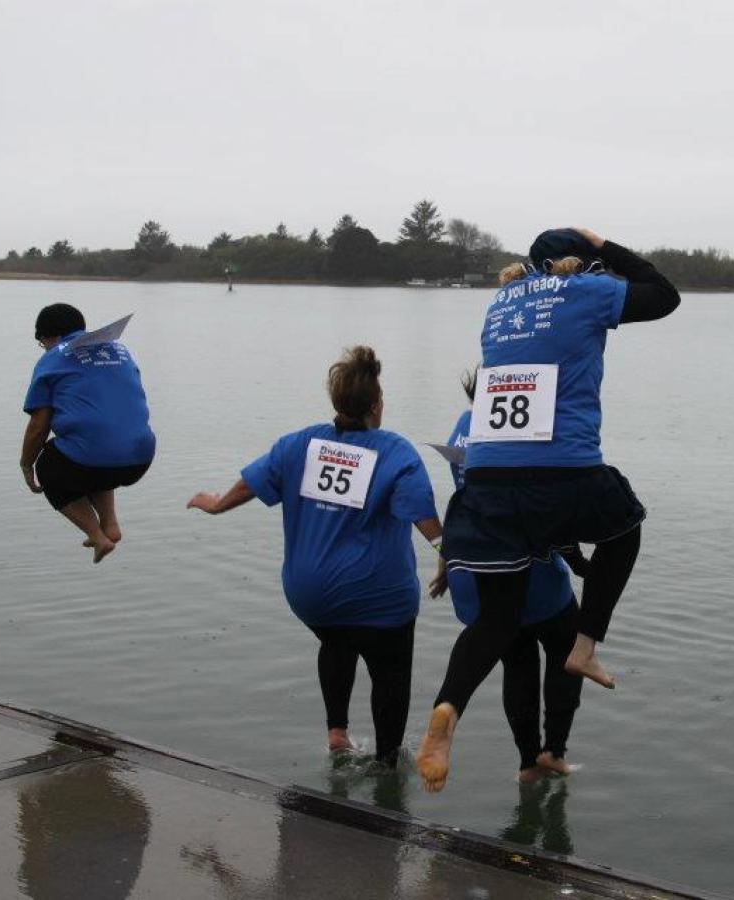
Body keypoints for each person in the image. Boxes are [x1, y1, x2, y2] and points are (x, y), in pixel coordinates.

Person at [415, 228, 681, 792]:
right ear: (578, 263)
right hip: (563, 471)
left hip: (488, 483)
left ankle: (448, 709)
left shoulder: (500, 303)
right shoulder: (583, 291)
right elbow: (663, 294)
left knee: (497, 621)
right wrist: (605, 243)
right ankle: (585, 648)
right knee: (625, 526)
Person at [187, 346, 444, 767]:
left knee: (336, 640)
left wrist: (215, 504)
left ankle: (337, 734)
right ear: (376, 406)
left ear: (337, 402)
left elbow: (248, 485)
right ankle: (385, 764)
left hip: (311, 596)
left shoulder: (299, 444)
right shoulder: (395, 452)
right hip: (378, 596)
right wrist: (447, 555)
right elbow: (423, 517)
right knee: (390, 672)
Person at [443, 369, 585, 782]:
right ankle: (553, 751)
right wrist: (581, 563)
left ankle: (527, 762)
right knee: (568, 651)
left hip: (481, 576)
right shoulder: (530, 428)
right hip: (535, 576)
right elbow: (551, 510)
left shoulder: (461, 428)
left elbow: (462, 500)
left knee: (517, 663)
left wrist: (444, 562)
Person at [21, 303, 156, 563]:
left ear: (52, 337)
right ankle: (110, 524)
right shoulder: (120, 350)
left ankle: (97, 535)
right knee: (91, 446)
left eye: (43, 342)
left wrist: (26, 465)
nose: (45, 348)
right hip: (140, 457)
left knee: (51, 462)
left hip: (94, 460)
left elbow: (39, 425)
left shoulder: (53, 358)